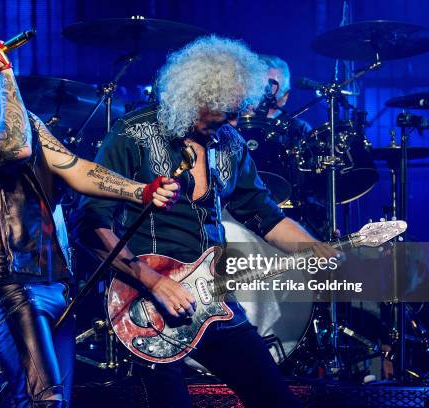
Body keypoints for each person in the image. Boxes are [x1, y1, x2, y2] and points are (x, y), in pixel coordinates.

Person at [0, 15, 179, 408]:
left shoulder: (20, 121)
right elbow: (11, 149)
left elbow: (76, 168)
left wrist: (142, 191)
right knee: (42, 400)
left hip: (53, 280)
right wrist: (4, 76)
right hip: (6, 280)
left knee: (56, 400)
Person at [72, 36, 337, 407]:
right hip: (145, 302)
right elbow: (90, 224)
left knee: (276, 399)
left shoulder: (230, 143)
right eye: (226, 110)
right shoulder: (133, 134)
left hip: (210, 298)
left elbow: (264, 214)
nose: (234, 120)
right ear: (197, 97)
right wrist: (153, 282)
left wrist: (315, 250)